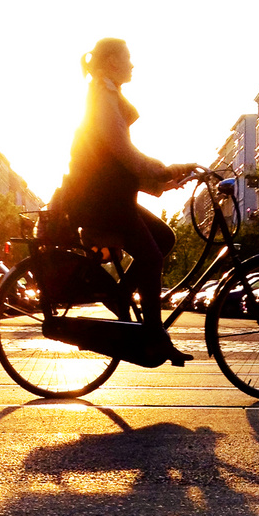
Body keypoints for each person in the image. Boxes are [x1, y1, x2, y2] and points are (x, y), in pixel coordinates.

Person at [61, 37, 196, 363]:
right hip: (100, 202)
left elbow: (117, 164)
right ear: (111, 61)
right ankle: (153, 337)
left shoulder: (108, 95)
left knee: (164, 238)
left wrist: (160, 180)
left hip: (111, 197)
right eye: (128, 58)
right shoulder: (101, 98)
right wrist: (165, 169)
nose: (133, 65)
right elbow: (123, 152)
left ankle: (120, 294)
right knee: (151, 257)